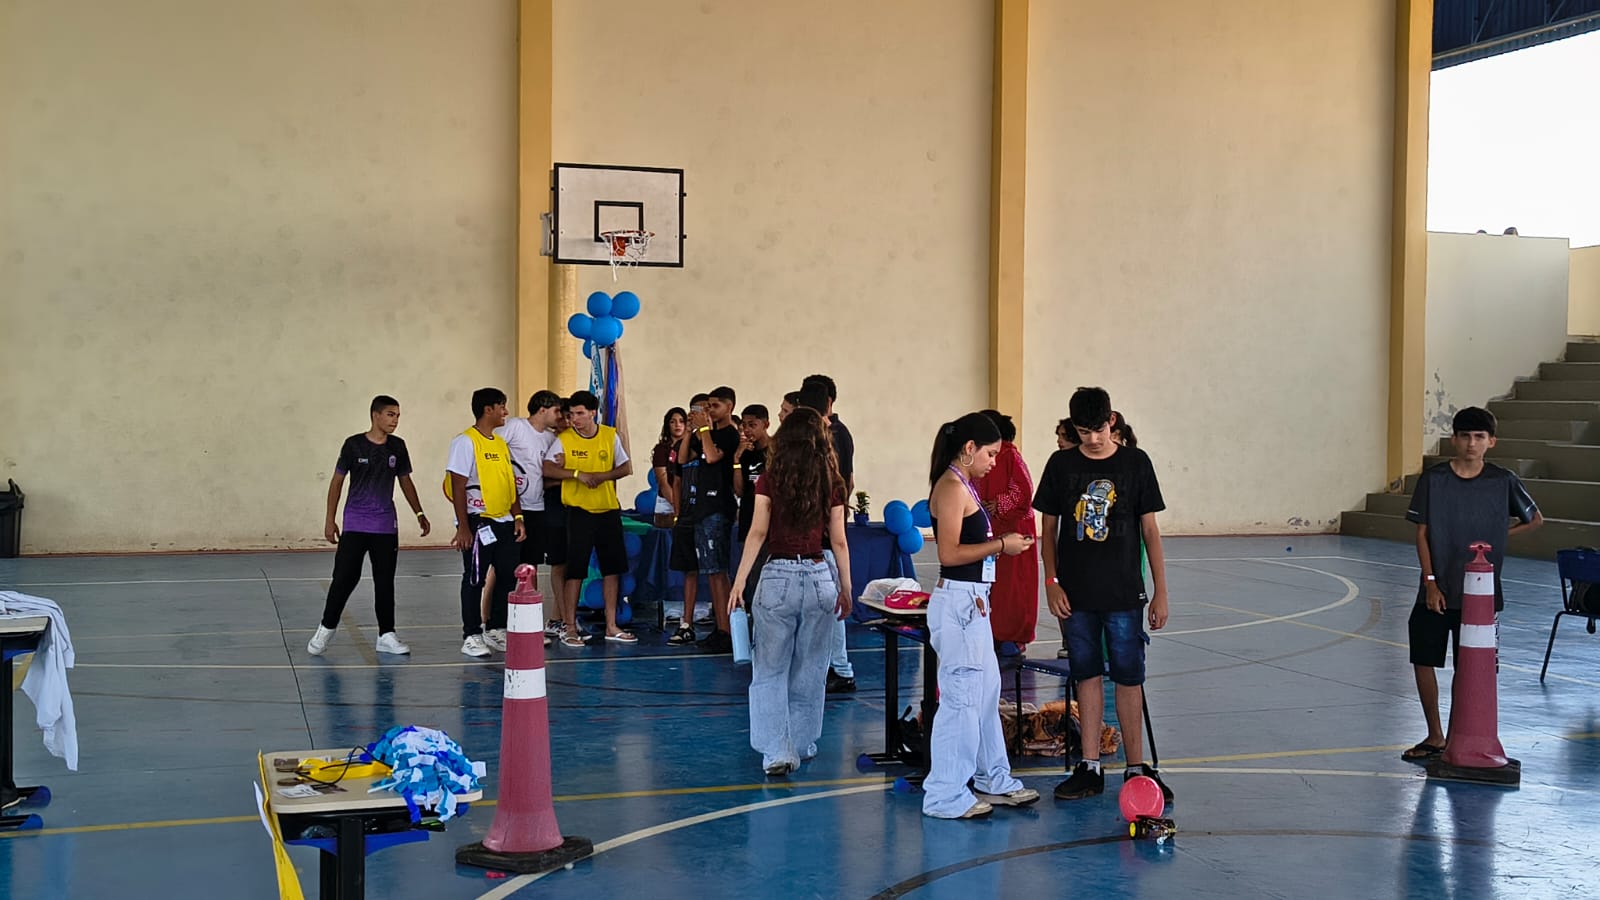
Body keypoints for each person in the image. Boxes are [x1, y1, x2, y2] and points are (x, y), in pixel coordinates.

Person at [1033, 386, 1172, 801]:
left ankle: (1136, 768)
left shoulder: (1135, 463)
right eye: (1083, 432)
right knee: (1086, 675)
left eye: (1098, 429)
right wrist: (1051, 582)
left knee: (1129, 677)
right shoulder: (1060, 465)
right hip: (1075, 596)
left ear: (1112, 421)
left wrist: (1160, 591)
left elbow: (1151, 531)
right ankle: (1090, 765)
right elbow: (1048, 532)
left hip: (1124, 593)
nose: (1092, 439)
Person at [1401, 406, 1541, 762]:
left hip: (1481, 594)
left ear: (1491, 441)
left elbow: (1535, 519)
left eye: (1479, 437)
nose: (1471, 443)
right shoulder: (1434, 480)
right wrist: (1430, 582)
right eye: (1465, 436)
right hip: (1437, 590)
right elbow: (1422, 534)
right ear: (1454, 439)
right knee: (1423, 659)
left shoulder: (1503, 481)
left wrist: (1499, 536)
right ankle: (1435, 735)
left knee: (1470, 667)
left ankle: (1458, 737)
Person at [921, 412, 1039, 819]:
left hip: (974, 603)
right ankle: (945, 793)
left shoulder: (963, 484)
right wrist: (1001, 545)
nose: (993, 462)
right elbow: (949, 553)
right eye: (990, 454)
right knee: (961, 700)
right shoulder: (952, 487)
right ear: (969, 449)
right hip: (958, 604)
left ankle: (993, 777)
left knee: (986, 695)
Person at [729, 408, 852, 776]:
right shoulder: (832, 481)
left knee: (769, 669)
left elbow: (757, 533)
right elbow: (839, 541)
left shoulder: (770, 479)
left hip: (777, 576)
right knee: (811, 668)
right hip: (819, 576)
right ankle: (801, 741)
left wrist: (739, 581)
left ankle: (776, 751)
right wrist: (845, 587)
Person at [309, 395, 429, 657]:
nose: (395, 420)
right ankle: (326, 628)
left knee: (384, 581)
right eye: (390, 414)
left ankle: (386, 634)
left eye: (398, 415)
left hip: (385, 526)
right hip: (355, 523)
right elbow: (337, 482)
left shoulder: (398, 446)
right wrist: (330, 519)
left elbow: (405, 481)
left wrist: (419, 512)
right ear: (375, 415)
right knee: (344, 578)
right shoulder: (353, 445)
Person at [544, 390, 637, 644]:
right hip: (579, 512)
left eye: (580, 413)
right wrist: (576, 474)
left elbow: (625, 467)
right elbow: (547, 467)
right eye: (571, 414)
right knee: (575, 570)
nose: (575, 419)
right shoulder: (564, 439)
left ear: (593, 413)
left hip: (607, 510)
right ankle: (570, 627)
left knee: (612, 569)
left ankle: (611, 625)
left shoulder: (609, 435)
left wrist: (602, 477)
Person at [446, 388, 525, 658]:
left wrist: (518, 517)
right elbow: (458, 485)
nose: (506, 412)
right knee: (474, 578)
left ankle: (495, 628)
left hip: (504, 521)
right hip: (478, 522)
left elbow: (509, 484)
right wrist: (463, 526)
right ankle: (471, 634)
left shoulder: (500, 443)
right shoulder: (465, 442)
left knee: (506, 576)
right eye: (502, 406)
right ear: (487, 409)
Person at [800, 375, 857, 693]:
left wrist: (834, 514)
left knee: (834, 603)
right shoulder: (815, 434)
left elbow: (844, 481)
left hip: (824, 533)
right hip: (814, 532)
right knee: (819, 606)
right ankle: (824, 665)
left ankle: (841, 668)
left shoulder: (835, 434)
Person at [497, 390, 563, 645]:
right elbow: (492, 445)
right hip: (512, 507)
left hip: (537, 507)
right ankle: (496, 624)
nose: (559, 416)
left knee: (531, 565)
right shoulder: (516, 427)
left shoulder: (550, 438)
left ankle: (530, 624)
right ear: (542, 409)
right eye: (556, 411)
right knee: (505, 567)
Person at [683, 386, 741, 652]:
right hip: (703, 508)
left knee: (718, 572)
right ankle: (721, 627)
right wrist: (690, 431)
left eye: (715, 406)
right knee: (711, 572)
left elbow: (713, 456)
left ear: (729, 407)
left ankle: (726, 630)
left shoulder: (729, 435)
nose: (710, 411)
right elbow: (685, 458)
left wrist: (705, 429)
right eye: (707, 407)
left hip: (718, 506)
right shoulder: (707, 434)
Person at [977, 410, 1038, 653]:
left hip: (1014, 529)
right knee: (992, 583)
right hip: (991, 526)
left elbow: (1024, 490)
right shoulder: (980, 453)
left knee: (1013, 586)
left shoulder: (1010, 454)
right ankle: (992, 632)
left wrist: (999, 504)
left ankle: (1012, 636)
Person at [669, 396, 710, 646]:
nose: (699, 414)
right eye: (694, 411)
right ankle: (687, 623)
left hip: (711, 514)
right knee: (690, 570)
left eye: (705, 410)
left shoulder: (717, 439)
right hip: (687, 515)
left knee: (717, 570)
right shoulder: (686, 442)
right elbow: (678, 475)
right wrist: (677, 513)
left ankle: (725, 622)